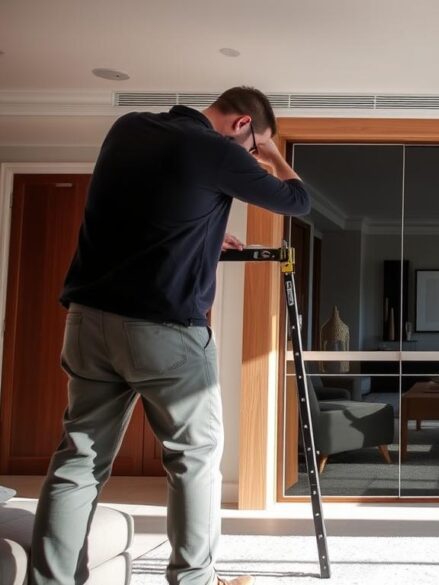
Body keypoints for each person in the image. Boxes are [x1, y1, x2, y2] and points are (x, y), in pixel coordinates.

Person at [30, 86, 310, 585]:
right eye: (251, 145)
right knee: (194, 459)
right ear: (242, 124)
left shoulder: (130, 127)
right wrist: (270, 153)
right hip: (163, 329)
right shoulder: (220, 149)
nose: (249, 157)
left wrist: (202, 233)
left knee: (79, 460)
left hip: (88, 321)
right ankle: (194, 580)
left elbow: (145, 208)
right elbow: (297, 200)